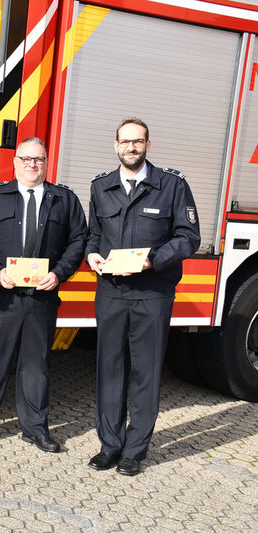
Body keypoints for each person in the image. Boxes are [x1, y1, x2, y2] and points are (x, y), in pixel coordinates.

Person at [86, 118, 200, 476]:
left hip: (153, 293)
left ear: (148, 145)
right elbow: (93, 235)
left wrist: (153, 260)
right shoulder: (101, 187)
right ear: (116, 145)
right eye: (125, 142)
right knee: (109, 369)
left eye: (137, 142)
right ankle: (110, 445)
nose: (131, 148)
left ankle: (135, 450)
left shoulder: (172, 186)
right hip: (111, 293)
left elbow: (188, 237)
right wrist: (91, 256)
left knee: (146, 373)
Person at [0, 137, 87, 452]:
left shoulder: (64, 200)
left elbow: (79, 240)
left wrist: (59, 273)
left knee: (36, 365)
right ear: (15, 162)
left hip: (41, 298)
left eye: (39, 160)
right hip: (1, 297)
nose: (33, 165)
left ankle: (35, 428)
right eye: (27, 159)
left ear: (46, 163)